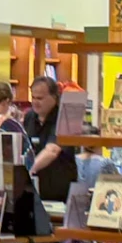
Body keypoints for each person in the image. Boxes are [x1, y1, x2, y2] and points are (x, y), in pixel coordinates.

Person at [23, 75, 78, 203]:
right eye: (33, 97)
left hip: (59, 195)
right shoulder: (29, 117)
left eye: (40, 98)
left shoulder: (65, 118)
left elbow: (52, 151)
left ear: (54, 97)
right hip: (34, 192)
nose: (35, 102)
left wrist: (28, 169)